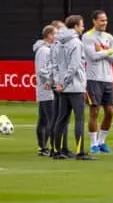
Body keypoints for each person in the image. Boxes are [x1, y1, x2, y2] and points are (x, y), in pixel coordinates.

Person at [53, 15, 94, 160]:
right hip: (75, 87)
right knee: (79, 119)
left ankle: (57, 151)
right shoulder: (76, 42)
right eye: (82, 25)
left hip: (62, 88)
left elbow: (56, 65)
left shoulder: (57, 42)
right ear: (75, 26)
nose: (83, 28)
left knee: (61, 118)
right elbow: (74, 66)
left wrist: (59, 82)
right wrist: (64, 82)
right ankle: (80, 152)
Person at [82, 10, 113, 154]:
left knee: (110, 112)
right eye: (101, 20)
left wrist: (104, 51)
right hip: (93, 78)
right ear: (94, 21)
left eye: (106, 20)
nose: (104, 23)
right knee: (94, 111)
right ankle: (93, 144)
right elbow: (92, 56)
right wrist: (108, 51)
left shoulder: (109, 37)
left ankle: (102, 142)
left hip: (108, 79)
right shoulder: (87, 37)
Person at [48, 20, 71, 158]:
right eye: (61, 30)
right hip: (59, 84)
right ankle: (57, 148)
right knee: (59, 117)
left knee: (61, 117)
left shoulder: (57, 46)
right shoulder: (56, 47)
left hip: (59, 82)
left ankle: (61, 147)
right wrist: (56, 81)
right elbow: (55, 66)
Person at [33, 25, 56, 156]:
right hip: (46, 89)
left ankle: (43, 147)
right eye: (55, 34)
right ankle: (50, 147)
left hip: (44, 88)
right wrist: (49, 82)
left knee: (44, 119)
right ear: (49, 35)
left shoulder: (45, 49)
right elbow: (43, 70)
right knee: (50, 119)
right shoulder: (44, 51)